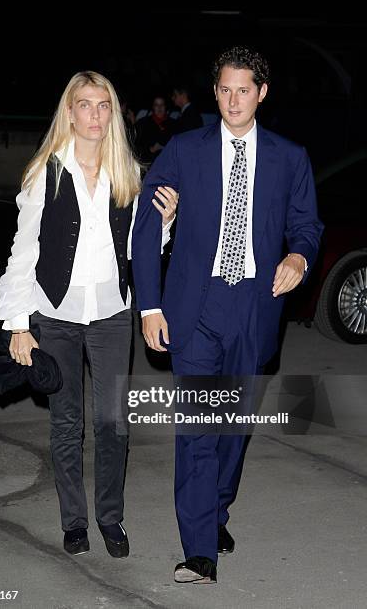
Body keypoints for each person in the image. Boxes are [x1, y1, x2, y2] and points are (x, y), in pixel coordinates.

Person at [132, 46, 323, 583]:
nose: (233, 100)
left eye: (244, 90)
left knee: (233, 428)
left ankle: (215, 512)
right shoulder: (184, 150)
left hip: (256, 307)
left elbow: (307, 225)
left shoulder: (290, 157)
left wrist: (298, 255)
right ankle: (199, 551)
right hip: (196, 305)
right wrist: (149, 304)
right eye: (224, 89)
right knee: (197, 427)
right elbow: (148, 228)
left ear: (262, 93)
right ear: (214, 92)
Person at [0, 71, 178, 559]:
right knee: (66, 421)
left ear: (112, 113)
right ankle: (74, 522)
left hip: (114, 312)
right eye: (86, 104)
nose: (95, 114)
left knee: (115, 421)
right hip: (56, 312)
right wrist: (16, 321)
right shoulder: (45, 172)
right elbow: (23, 249)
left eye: (104, 105)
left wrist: (163, 221)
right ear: (69, 112)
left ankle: (110, 518)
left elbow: (143, 248)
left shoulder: (129, 173)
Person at [135, 95, 176, 164]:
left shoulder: (174, 124)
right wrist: (151, 150)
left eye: (162, 105)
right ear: (153, 107)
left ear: (165, 106)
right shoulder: (143, 123)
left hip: (169, 164)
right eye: (156, 105)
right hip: (150, 164)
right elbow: (137, 147)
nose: (159, 107)